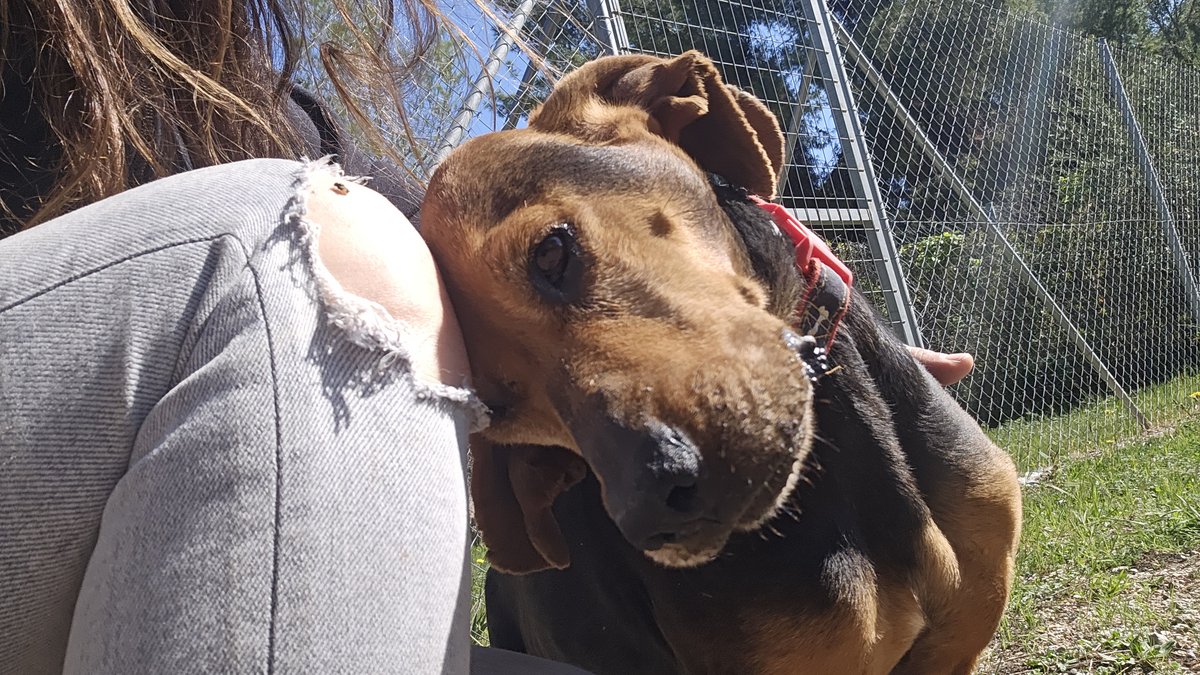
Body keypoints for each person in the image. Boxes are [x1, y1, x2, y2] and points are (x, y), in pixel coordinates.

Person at [0, 2, 972, 673]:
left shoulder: (235, 79)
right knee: (296, 246)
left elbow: (445, 247)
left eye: (555, 257)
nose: (643, 493)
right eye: (503, 406)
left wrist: (800, 307)